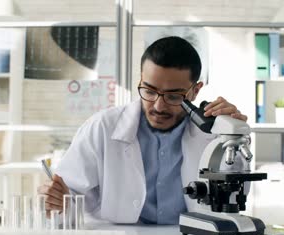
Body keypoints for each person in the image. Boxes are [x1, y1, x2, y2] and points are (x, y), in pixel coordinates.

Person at [38, 36, 248, 224]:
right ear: (140, 80)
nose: (158, 106)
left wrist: (231, 133)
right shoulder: (102, 127)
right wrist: (55, 200)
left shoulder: (212, 131)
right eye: (149, 90)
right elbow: (69, 197)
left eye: (173, 96)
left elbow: (236, 194)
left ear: (195, 91)